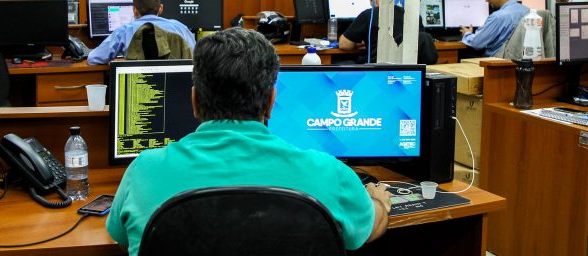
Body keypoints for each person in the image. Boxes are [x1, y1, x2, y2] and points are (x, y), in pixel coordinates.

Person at [106, 28, 391, 255]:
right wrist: (378, 201)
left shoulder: (144, 170)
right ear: (271, 102)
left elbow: (126, 240)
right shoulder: (329, 172)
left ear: (194, 101)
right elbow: (369, 229)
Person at [87, 0, 196, 65]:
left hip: (138, 87)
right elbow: (195, 55)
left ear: (134, 9)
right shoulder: (180, 28)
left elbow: (93, 59)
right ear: (161, 8)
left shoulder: (124, 31)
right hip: (175, 86)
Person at [339, 0, 430, 63]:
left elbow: (344, 45)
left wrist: (359, 43)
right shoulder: (412, 15)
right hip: (411, 70)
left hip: (378, 70)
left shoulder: (369, 14)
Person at [460, 0, 530, 56]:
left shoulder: (497, 17)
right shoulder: (528, 11)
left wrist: (467, 34)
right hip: (520, 59)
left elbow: (476, 43)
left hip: (496, 61)